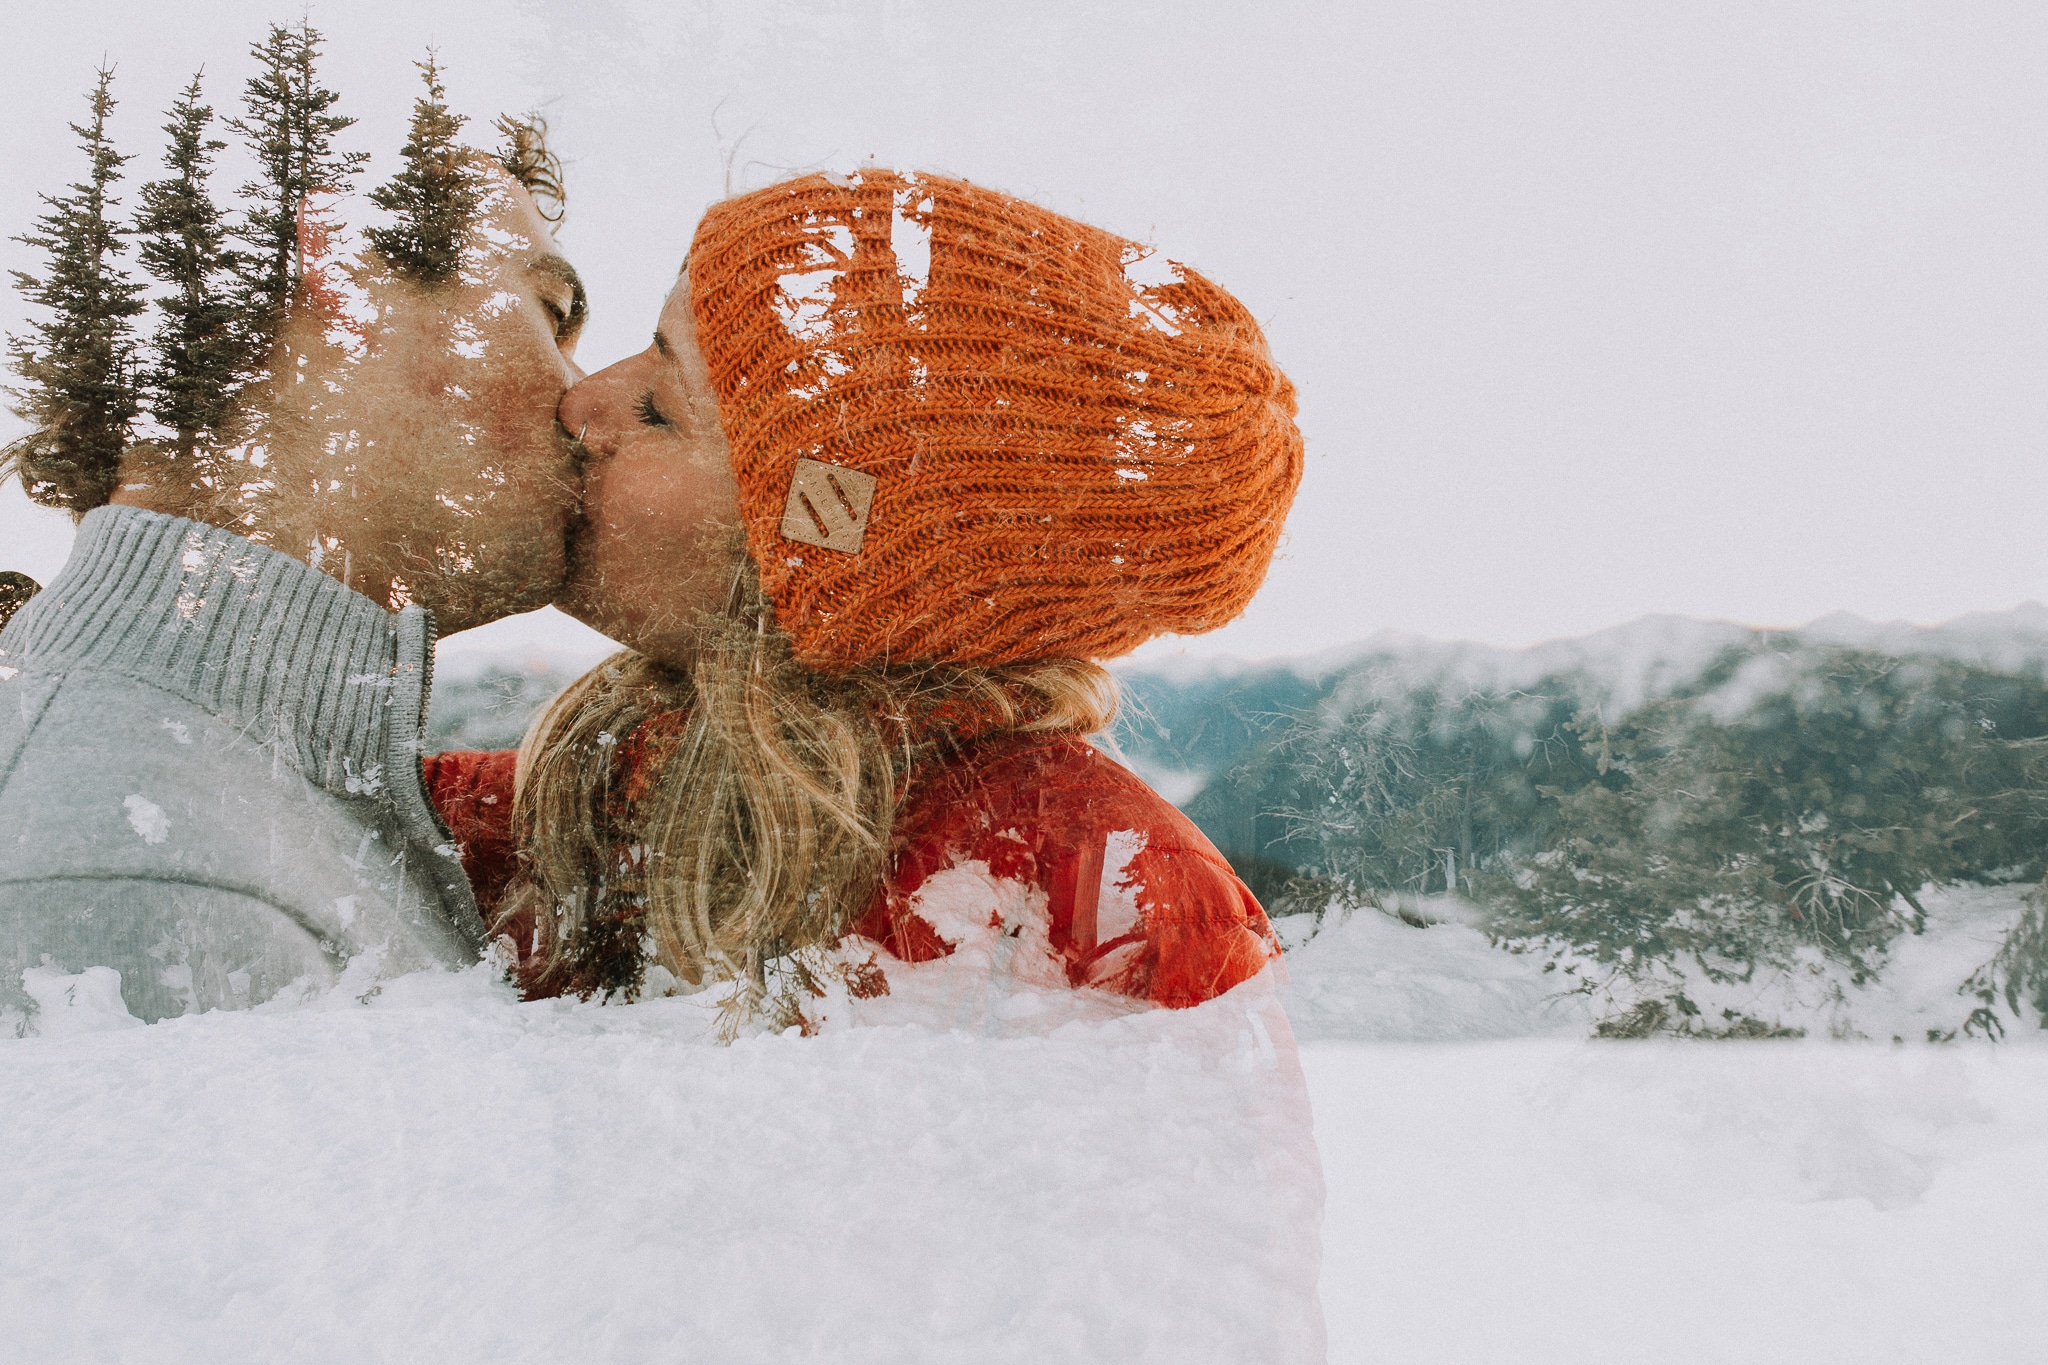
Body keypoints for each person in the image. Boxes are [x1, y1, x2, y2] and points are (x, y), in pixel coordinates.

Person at [428, 170, 1304, 1027]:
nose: (583, 401)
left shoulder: (1113, 899)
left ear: (830, 543)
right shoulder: (571, 801)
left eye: (659, 408)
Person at [0, 154, 585, 1027]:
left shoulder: (236, 807)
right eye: (556, 310)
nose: (588, 398)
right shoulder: (122, 880)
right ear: (345, 263)